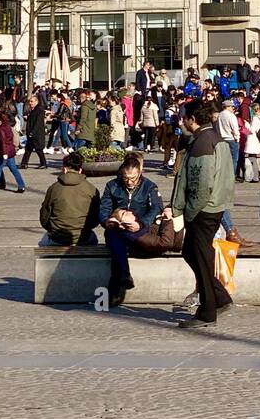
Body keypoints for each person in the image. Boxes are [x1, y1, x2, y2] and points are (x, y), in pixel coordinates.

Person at [170, 100, 235, 328]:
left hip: (203, 209)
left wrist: (188, 212)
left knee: (200, 256)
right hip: (216, 206)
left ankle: (208, 311)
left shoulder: (202, 144)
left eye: (184, 117)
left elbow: (200, 183)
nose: (181, 121)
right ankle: (220, 297)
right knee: (191, 252)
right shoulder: (213, 138)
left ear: (192, 119)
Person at [98, 152, 170, 307]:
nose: (129, 182)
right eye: (126, 178)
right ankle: (123, 277)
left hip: (139, 230)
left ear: (140, 174)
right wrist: (106, 220)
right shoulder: (112, 185)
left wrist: (141, 223)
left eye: (133, 178)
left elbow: (157, 208)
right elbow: (104, 208)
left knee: (118, 240)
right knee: (115, 234)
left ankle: (120, 282)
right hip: (117, 227)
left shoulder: (149, 186)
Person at [39, 152, 100, 247]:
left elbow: (44, 216)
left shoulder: (54, 188)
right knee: (93, 239)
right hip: (83, 237)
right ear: (80, 170)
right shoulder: (91, 189)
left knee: (43, 243)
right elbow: (95, 218)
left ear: (64, 169)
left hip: (58, 237)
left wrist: (52, 229)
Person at [22, 94, 47, 169]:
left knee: (39, 149)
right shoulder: (33, 110)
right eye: (30, 101)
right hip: (31, 133)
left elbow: (38, 123)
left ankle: (43, 164)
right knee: (28, 149)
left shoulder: (39, 110)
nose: (30, 103)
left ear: (36, 101)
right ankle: (24, 163)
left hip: (36, 133)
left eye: (32, 101)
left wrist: (32, 132)